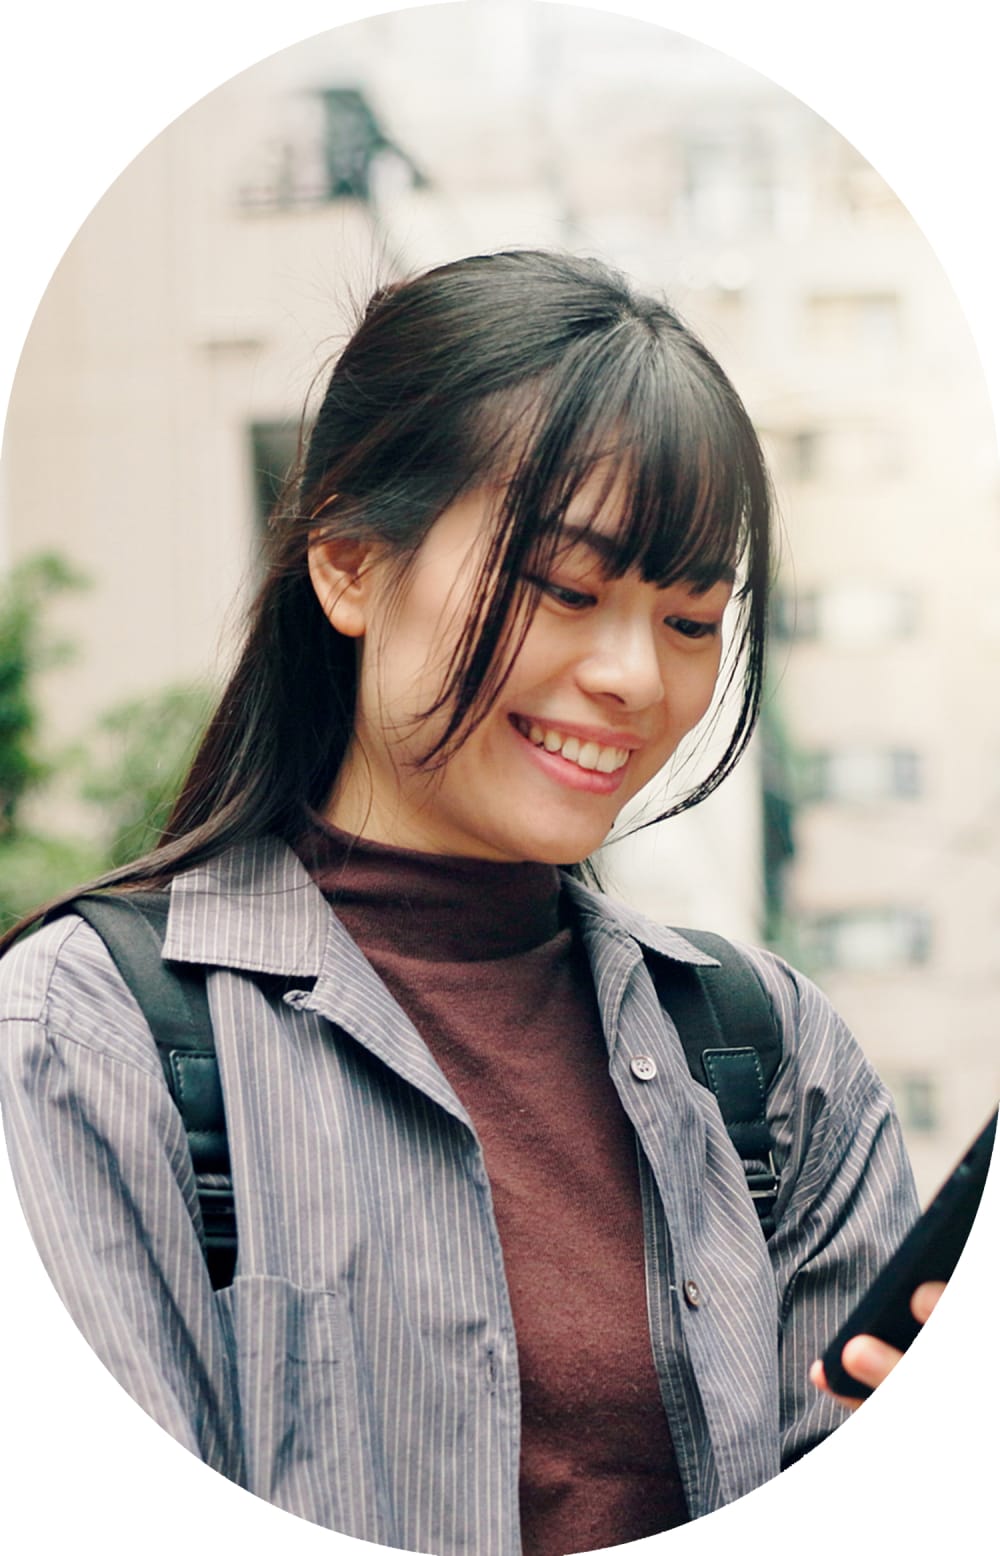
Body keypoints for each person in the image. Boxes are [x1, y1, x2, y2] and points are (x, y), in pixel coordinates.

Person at [0, 250, 921, 1556]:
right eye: (567, 587)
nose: (632, 679)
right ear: (350, 561)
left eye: (690, 616)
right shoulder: (84, 1046)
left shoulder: (772, 1059)